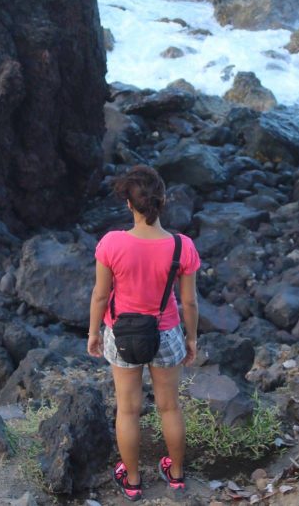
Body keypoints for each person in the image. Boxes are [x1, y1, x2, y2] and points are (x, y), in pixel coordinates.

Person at [88, 165, 200, 502]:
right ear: (163, 200)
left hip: (121, 334)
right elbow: (190, 302)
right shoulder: (182, 247)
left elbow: (100, 295)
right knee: (169, 408)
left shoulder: (111, 243)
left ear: (128, 204)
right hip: (165, 334)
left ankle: (133, 481)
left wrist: (94, 332)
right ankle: (176, 475)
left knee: (127, 409)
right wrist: (191, 338)